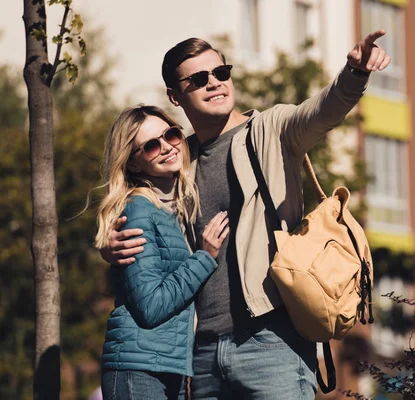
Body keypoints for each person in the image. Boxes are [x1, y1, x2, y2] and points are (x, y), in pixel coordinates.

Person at [100, 30, 390, 399]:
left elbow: (322, 110)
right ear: (175, 96)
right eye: (199, 79)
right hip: (201, 353)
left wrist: (355, 73)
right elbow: (146, 225)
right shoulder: (176, 157)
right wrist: (111, 248)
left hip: (272, 342)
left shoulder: (271, 130)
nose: (215, 83)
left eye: (221, 72)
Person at [95, 105, 229, 399]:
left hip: (167, 366)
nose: (167, 147)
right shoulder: (139, 209)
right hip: (139, 368)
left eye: (171, 135)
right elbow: (151, 305)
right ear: (133, 164)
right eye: (152, 146)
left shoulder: (172, 204)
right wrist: (204, 258)